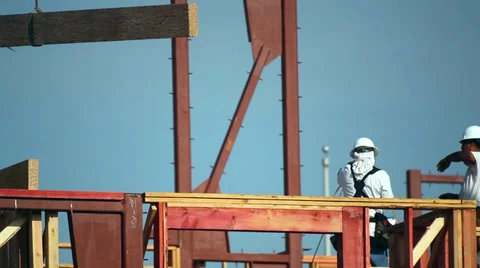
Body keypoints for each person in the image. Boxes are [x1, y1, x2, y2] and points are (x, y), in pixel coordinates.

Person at [336, 137, 395, 267]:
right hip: (374, 229)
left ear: (355, 153)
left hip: (348, 227)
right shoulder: (381, 175)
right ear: (372, 153)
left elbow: (340, 182)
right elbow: (390, 201)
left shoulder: (344, 171)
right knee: (379, 264)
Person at [436, 125, 480, 267]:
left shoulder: (478, 156)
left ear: (472, 144)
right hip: (473, 210)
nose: (462, 148)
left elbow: (466, 155)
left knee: (469, 253)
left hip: (475, 213)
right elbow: (473, 193)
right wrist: (455, 198)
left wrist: (447, 159)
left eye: (464, 145)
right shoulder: (474, 169)